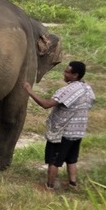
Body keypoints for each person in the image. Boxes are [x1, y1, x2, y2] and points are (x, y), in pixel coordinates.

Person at [23, 60, 96, 191]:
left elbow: (46, 104)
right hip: (78, 131)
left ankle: (49, 186)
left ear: (75, 75)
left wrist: (29, 90)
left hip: (63, 132)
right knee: (72, 159)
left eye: (67, 72)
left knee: (54, 160)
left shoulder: (68, 90)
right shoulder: (87, 88)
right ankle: (73, 184)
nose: (64, 73)